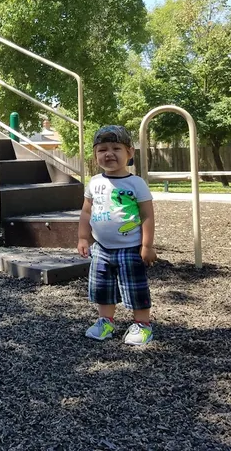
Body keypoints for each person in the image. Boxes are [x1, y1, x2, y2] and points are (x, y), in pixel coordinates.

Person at [78, 125, 156, 346]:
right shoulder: (94, 182)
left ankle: (142, 324)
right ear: (95, 155)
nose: (109, 153)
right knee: (102, 288)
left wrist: (147, 245)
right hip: (101, 248)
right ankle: (106, 321)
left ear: (129, 153)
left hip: (130, 247)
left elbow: (147, 215)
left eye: (116, 148)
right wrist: (83, 238)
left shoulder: (136, 183)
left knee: (135, 287)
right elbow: (86, 212)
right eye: (102, 149)